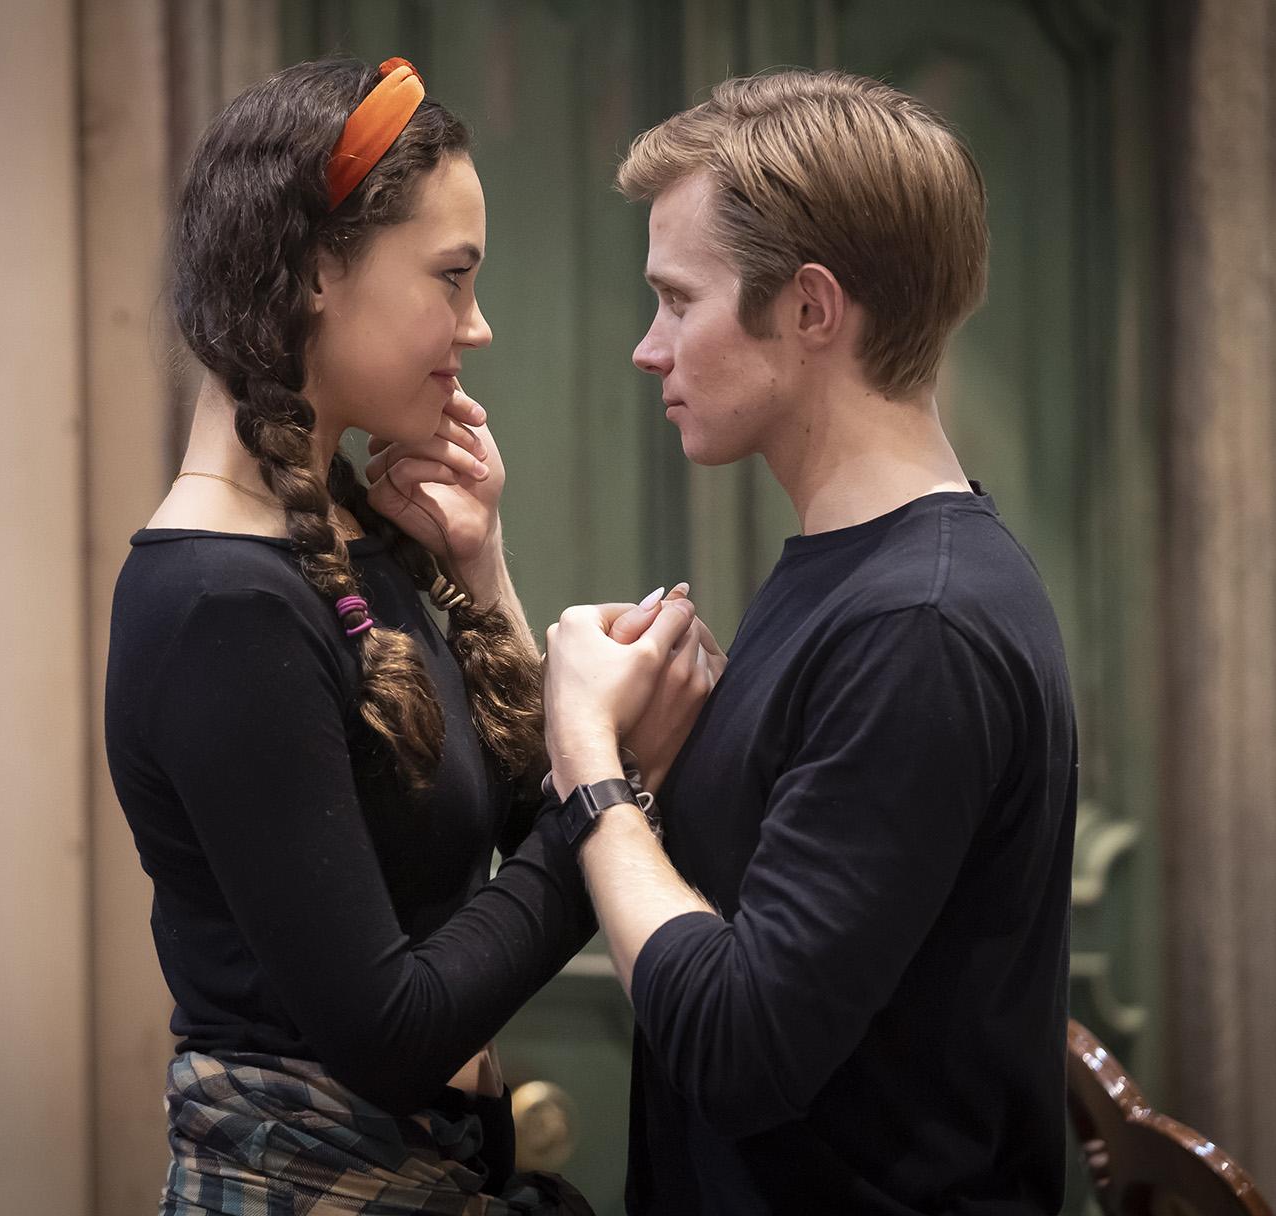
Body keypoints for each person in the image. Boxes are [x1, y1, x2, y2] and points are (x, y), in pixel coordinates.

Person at [103, 56, 674, 1214]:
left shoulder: (350, 537)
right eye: (452, 278)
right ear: (317, 270)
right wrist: (611, 793)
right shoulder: (221, 602)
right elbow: (393, 1031)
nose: (479, 325)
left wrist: (482, 567)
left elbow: (517, 815)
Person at [541, 70, 1080, 1214]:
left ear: (811, 309)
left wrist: (594, 770)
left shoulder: (917, 624)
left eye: (678, 300)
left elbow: (742, 1047)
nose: (649, 347)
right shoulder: (860, 575)